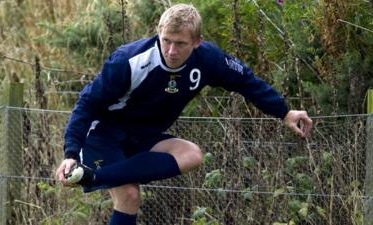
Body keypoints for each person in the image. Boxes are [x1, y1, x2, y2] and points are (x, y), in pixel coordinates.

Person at [55, 3, 313, 225]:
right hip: (104, 132)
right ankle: (88, 172)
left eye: (180, 44)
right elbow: (86, 103)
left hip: (144, 134)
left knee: (192, 154)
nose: (171, 51)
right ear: (158, 33)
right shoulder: (128, 61)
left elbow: (246, 81)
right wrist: (70, 153)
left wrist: (284, 112)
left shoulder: (208, 59)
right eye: (166, 40)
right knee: (130, 196)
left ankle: (93, 176)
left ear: (197, 42)